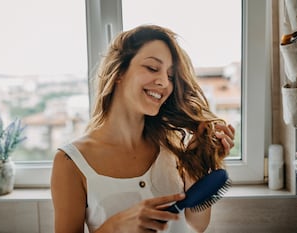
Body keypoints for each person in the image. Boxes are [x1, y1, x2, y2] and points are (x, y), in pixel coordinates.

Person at [51, 24, 235, 233]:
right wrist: (115, 227)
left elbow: (194, 225)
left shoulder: (173, 146)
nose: (164, 82)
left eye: (171, 76)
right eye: (152, 68)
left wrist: (202, 164)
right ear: (119, 71)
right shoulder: (72, 162)